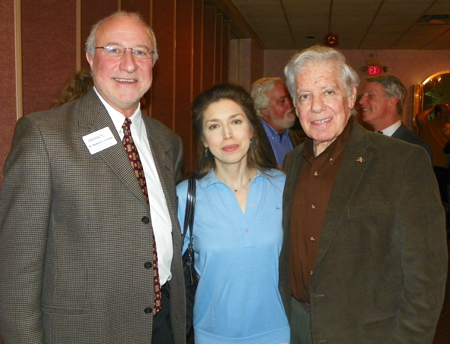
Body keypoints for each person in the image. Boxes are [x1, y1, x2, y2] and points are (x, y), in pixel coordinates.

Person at [0, 11, 185, 344]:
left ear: (153, 62)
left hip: (162, 325)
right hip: (87, 331)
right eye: (113, 49)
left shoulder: (166, 141)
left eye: (141, 52)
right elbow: (16, 267)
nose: (129, 64)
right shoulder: (44, 135)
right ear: (90, 57)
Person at [280, 45, 448, 344]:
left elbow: (426, 274)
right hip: (297, 326)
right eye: (305, 96)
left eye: (328, 92)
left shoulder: (401, 160)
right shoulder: (292, 162)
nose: (316, 106)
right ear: (296, 105)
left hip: (368, 333)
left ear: (350, 96)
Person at [177, 83, 290, 344]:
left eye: (236, 122)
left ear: (252, 130)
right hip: (212, 334)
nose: (227, 135)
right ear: (204, 140)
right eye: (214, 126)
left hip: (278, 332)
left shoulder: (282, 187)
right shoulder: (186, 196)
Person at [359, 74, 432, 159]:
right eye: (362, 96)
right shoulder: (361, 143)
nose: (361, 101)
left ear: (392, 101)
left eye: (370, 95)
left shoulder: (415, 148)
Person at [251, 77, 301, 166]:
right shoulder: (252, 141)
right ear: (265, 111)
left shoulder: (293, 137)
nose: (290, 103)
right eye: (282, 101)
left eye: (289, 98)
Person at [416, 103, 450, 204]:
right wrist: (433, 108)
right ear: (438, 114)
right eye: (447, 112)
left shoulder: (449, 127)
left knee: (443, 198)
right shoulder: (428, 124)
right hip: (429, 165)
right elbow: (419, 118)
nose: (449, 114)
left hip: (444, 168)